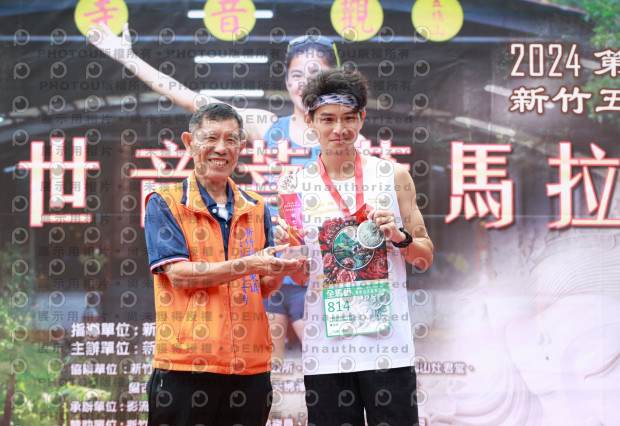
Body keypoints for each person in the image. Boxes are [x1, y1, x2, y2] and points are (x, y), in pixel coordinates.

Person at [89, 25, 344, 366]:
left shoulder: (344, 138)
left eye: (314, 74)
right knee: (270, 372)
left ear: (331, 80)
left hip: (319, 273)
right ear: (286, 81)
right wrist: (128, 58)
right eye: (296, 75)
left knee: (328, 371)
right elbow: (192, 100)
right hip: (265, 269)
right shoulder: (268, 126)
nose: (303, 83)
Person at [279, 69, 434, 425]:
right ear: (310, 122)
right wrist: (288, 256)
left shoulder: (393, 176)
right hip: (325, 353)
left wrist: (399, 237)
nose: (340, 128)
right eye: (328, 119)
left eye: (349, 118)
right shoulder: (293, 185)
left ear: (362, 118)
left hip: (389, 351)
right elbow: (300, 276)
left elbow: (424, 256)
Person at [143, 103, 307, 426]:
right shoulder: (165, 202)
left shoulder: (256, 207)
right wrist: (250, 264)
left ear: (241, 147)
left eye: (231, 140)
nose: (221, 148)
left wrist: (280, 270)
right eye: (211, 138)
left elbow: (262, 287)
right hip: (186, 366)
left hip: (250, 368)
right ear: (189, 142)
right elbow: (180, 276)